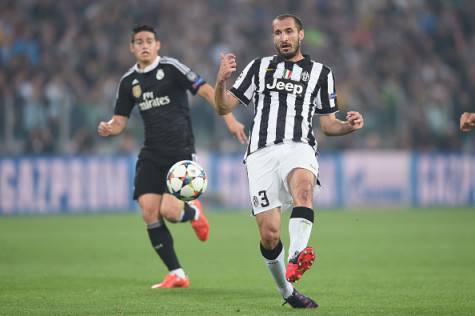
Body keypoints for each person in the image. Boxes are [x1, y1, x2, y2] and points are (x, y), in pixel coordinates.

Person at [214, 14, 364, 308]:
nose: (283, 37)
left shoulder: (321, 73)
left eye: (288, 32)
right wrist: (220, 80)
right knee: (269, 234)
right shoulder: (259, 68)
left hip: (299, 146)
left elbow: (328, 124)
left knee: (303, 192)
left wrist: (348, 126)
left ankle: (297, 257)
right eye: (277, 33)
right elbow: (222, 106)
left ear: (301, 35)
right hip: (260, 153)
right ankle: (287, 291)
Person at [98, 25, 247, 289]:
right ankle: (177, 273)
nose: (144, 45)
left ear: (158, 45)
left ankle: (193, 212)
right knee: (148, 211)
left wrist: (230, 120)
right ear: (132, 48)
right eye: (139, 42)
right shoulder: (128, 82)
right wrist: (110, 128)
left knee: (169, 211)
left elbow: (204, 90)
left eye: (149, 41)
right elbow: (120, 121)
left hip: (180, 150)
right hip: (151, 153)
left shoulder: (172, 68)